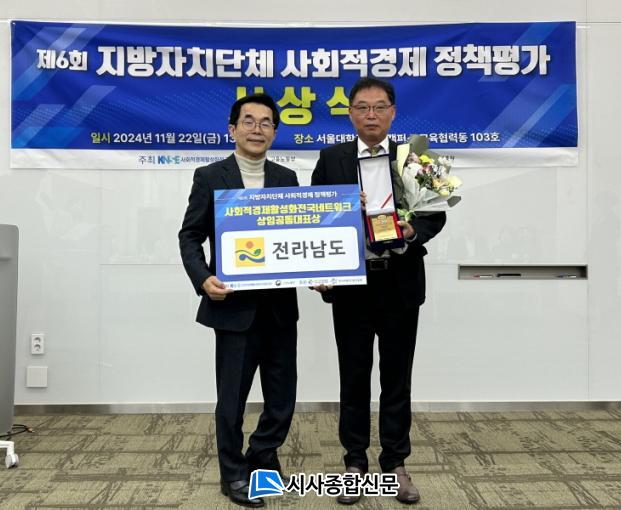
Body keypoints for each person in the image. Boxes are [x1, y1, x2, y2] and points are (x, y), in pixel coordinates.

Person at [311, 77, 446, 505]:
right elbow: (317, 216)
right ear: (350, 113)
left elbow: (436, 213)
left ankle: (395, 463)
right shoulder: (330, 158)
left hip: (399, 282)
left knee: (396, 379)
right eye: (362, 107)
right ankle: (354, 463)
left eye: (380, 107)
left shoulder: (416, 158)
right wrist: (337, 223)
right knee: (353, 378)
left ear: (393, 112)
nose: (371, 115)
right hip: (353, 284)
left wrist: (413, 229)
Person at [179, 93, 298, 508]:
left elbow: (299, 236)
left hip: (280, 308)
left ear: (274, 133)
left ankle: (262, 456)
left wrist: (322, 271)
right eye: (249, 121)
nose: (257, 129)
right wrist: (202, 278)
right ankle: (232, 474)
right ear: (233, 129)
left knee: (282, 400)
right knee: (231, 401)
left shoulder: (286, 179)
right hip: (233, 309)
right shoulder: (210, 176)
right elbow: (190, 235)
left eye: (266, 123)